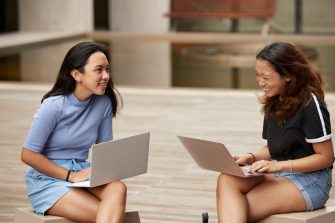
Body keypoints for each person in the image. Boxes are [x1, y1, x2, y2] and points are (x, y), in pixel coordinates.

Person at [216, 42, 333, 223]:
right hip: (280, 174)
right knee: (227, 178)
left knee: (239, 208)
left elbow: (325, 157)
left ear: (287, 75)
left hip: (311, 181)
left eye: (266, 77)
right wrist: (250, 157)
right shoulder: (274, 101)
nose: (261, 82)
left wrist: (278, 166)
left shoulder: (311, 104)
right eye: (257, 75)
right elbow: (274, 147)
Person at [21, 42, 126, 223]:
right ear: (77, 74)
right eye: (98, 70)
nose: (106, 76)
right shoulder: (53, 107)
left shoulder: (104, 103)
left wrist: (114, 166)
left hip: (82, 172)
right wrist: (70, 176)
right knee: (107, 215)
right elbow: (27, 154)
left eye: (107, 69)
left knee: (118, 188)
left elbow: (105, 149)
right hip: (48, 180)